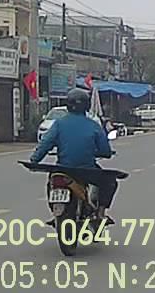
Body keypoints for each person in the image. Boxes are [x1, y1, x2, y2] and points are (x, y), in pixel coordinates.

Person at [31, 88, 118, 219]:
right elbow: (105, 150)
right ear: (87, 106)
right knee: (110, 182)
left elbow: (45, 144)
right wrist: (101, 153)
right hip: (87, 171)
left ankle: (56, 211)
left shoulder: (59, 124)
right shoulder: (94, 125)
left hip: (63, 169)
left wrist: (34, 160)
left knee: (52, 183)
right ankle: (100, 213)